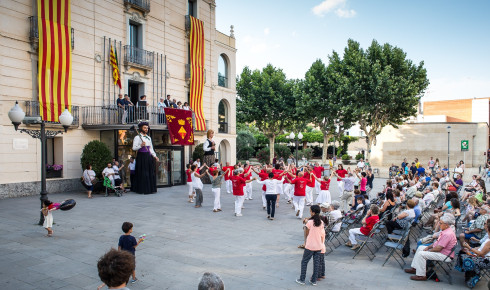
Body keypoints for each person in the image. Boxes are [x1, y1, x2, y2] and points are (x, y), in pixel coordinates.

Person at [404, 214, 457, 281]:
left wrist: (429, 250)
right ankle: (415, 268)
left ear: (446, 224)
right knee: (421, 247)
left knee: (421, 254)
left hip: (445, 255)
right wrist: (428, 247)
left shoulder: (447, 234)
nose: (439, 224)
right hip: (441, 252)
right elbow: (437, 243)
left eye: (440, 223)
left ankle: (421, 275)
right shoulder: (445, 230)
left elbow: (439, 248)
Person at [296, 205, 325, 286]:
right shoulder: (321, 222)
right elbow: (322, 234)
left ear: (313, 212)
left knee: (304, 262)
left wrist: (305, 242)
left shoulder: (309, 222)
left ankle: (302, 279)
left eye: (310, 210)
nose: (309, 211)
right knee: (316, 263)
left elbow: (307, 233)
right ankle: (314, 280)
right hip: (318, 245)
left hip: (310, 245)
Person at [456, 221, 490, 288]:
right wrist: (471, 250)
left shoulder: (489, 241)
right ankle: (468, 276)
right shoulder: (488, 239)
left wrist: (469, 248)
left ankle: (472, 277)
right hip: (482, 257)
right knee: (462, 252)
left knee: (467, 259)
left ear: (488, 229)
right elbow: (480, 248)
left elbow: (481, 253)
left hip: (486, 261)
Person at [132, 122, 159, 194]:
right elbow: (134, 148)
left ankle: (150, 189)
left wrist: (155, 156)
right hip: (141, 156)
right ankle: (143, 189)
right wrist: (141, 145)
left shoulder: (149, 138)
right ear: (141, 128)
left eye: (147, 128)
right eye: (145, 128)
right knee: (143, 173)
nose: (146, 129)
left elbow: (151, 148)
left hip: (148, 156)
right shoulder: (137, 137)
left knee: (150, 172)